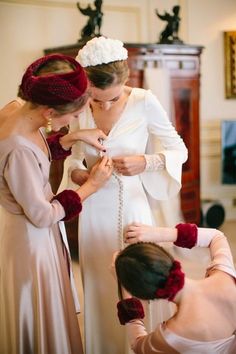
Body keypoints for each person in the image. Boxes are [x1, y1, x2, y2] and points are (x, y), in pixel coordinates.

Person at [59, 36, 188, 354]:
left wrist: (146, 161)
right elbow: (74, 156)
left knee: (137, 283)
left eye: (111, 99)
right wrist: (79, 173)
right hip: (94, 213)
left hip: (134, 210)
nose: (101, 105)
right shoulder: (81, 105)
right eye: (96, 99)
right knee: (102, 284)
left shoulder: (144, 101)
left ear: (125, 81)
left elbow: (178, 149)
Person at [0, 53, 113, 354]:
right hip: (30, 242)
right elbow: (42, 214)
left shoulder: (17, 109)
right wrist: (92, 186)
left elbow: (36, 151)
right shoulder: (18, 149)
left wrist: (74, 137)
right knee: (40, 321)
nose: (75, 119)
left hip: (30, 231)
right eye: (74, 116)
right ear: (50, 112)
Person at [115, 222, 236, 354]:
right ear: (168, 259)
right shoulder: (226, 275)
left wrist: (124, 289)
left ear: (144, 296)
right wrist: (159, 233)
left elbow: (138, 345)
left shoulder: (172, 336)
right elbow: (216, 236)